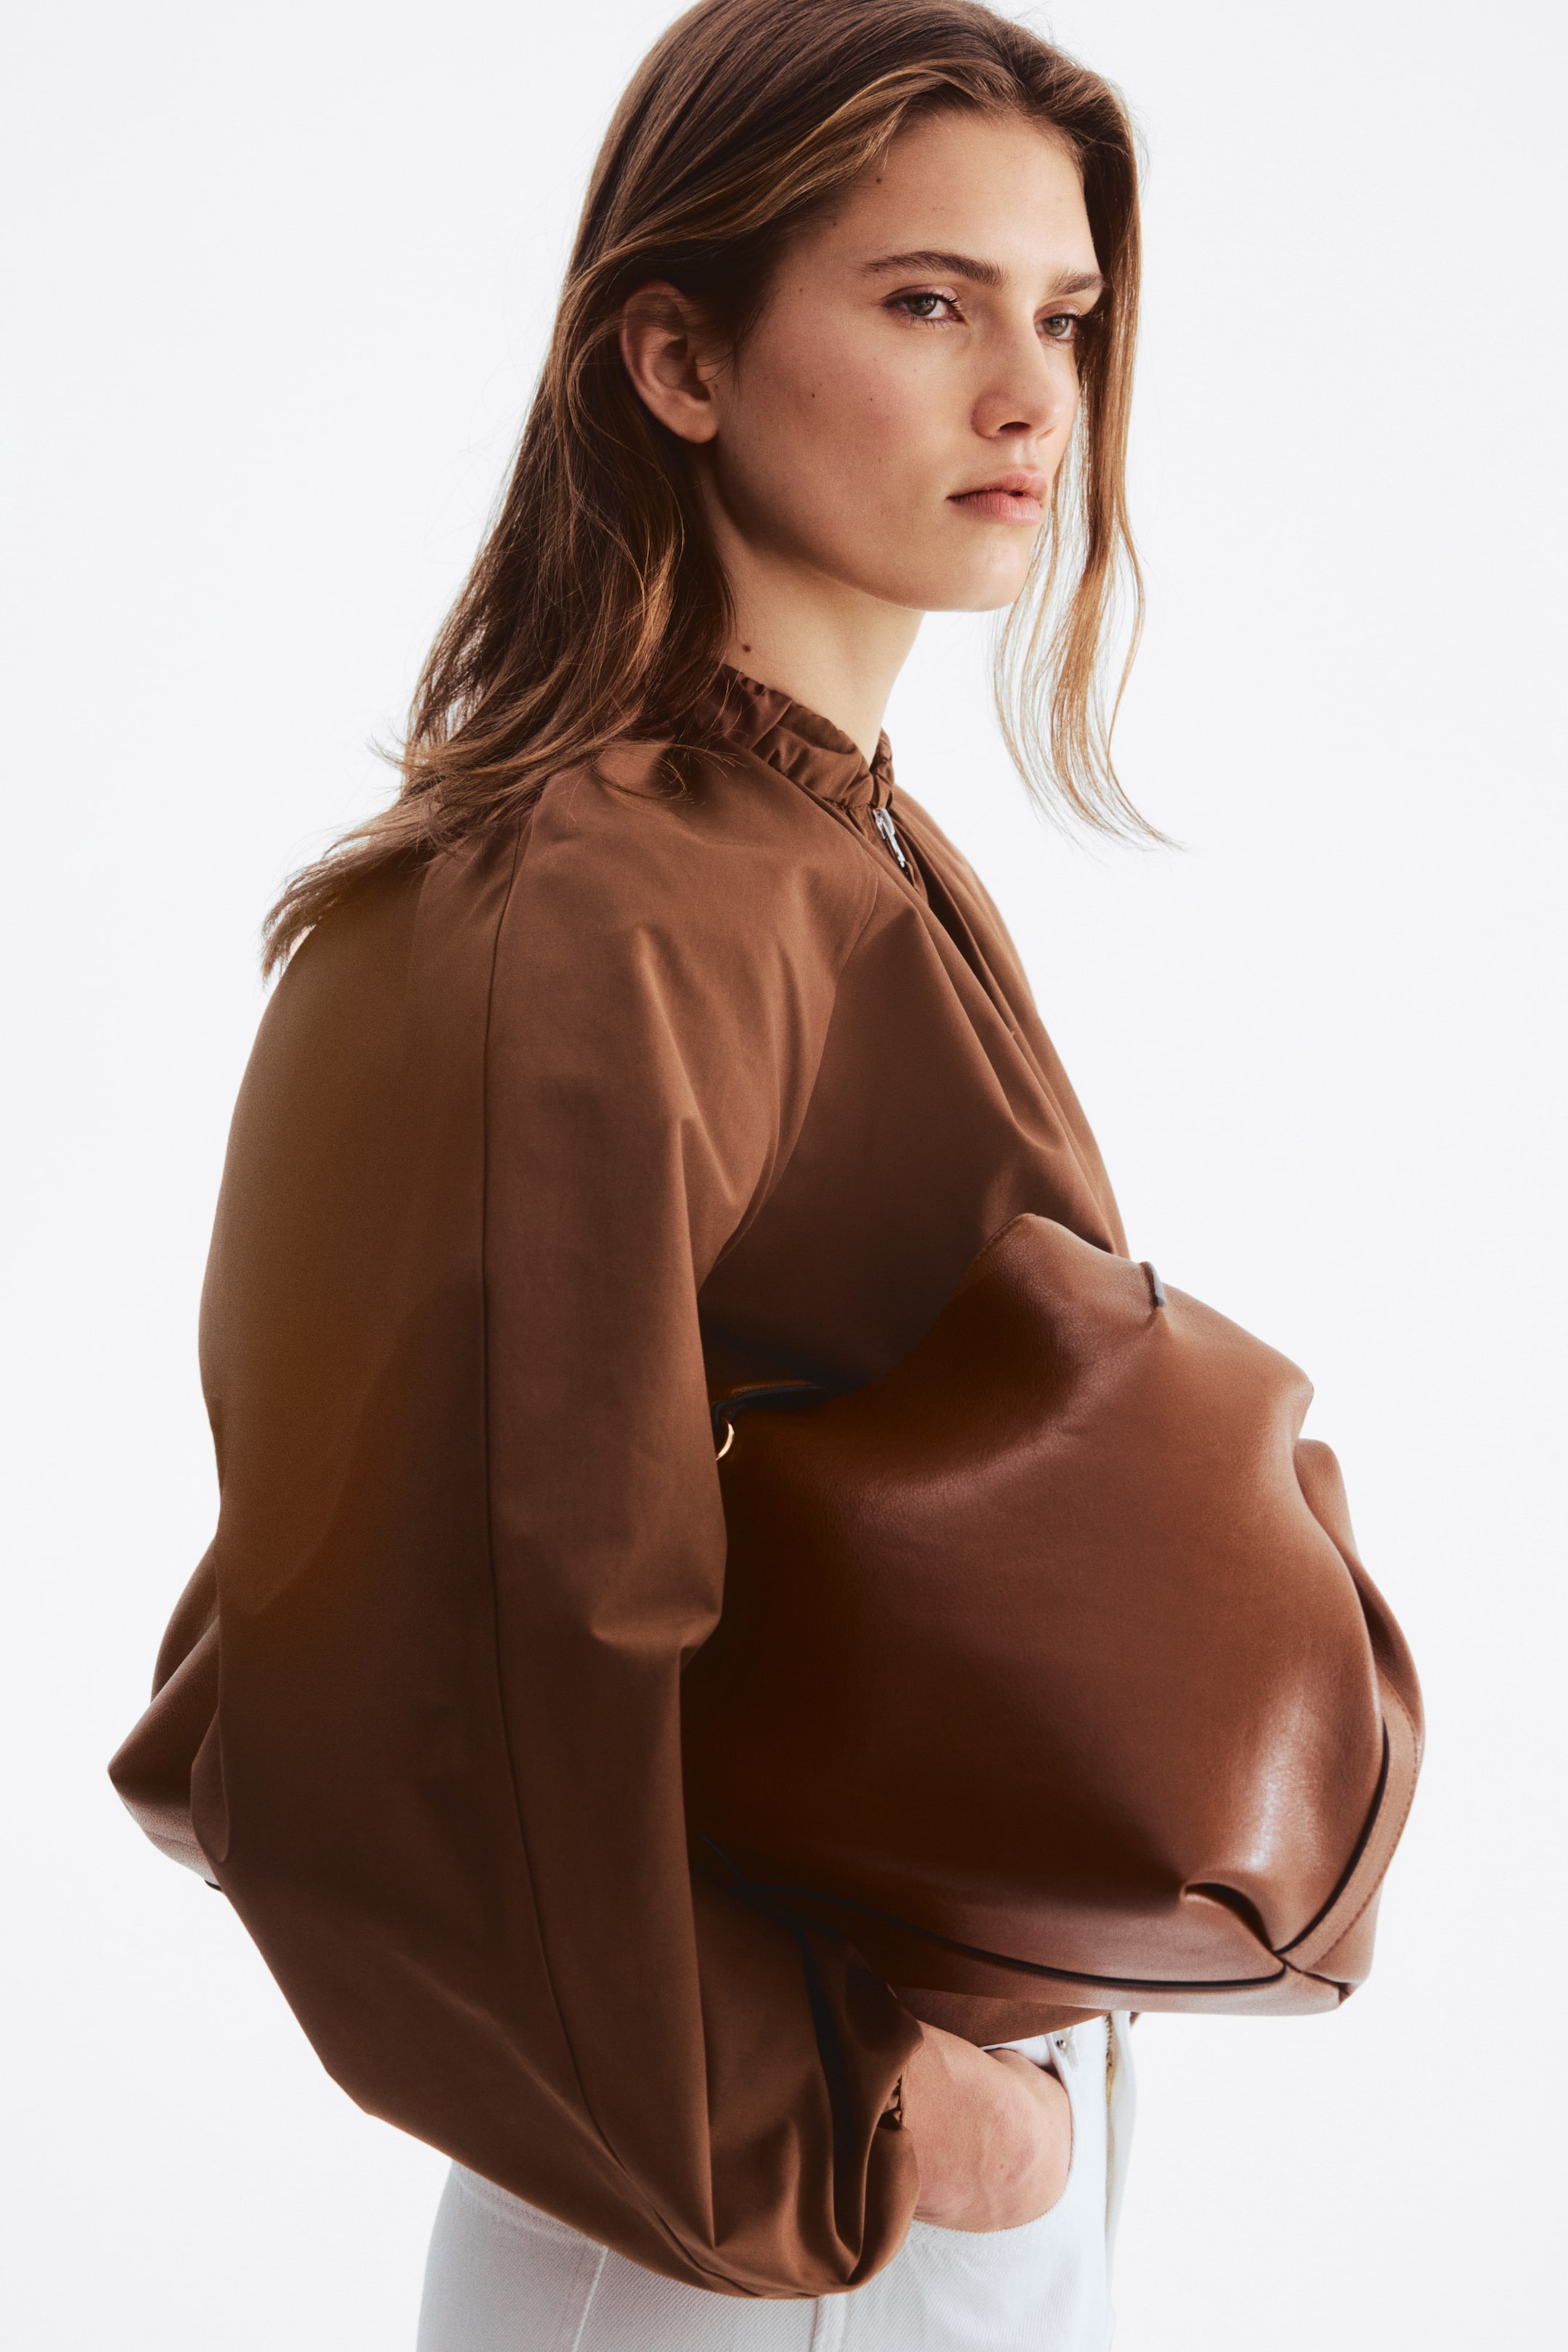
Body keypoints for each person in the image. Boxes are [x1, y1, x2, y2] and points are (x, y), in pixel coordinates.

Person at [110, 2, 1150, 2343]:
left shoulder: (817, 845)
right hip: (737, 2213)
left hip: (872, 2154)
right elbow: (430, 1666)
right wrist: (886, 2124)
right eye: (925, 301)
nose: (1029, 397)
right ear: (675, 360)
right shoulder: (579, 902)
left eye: (1061, 317)